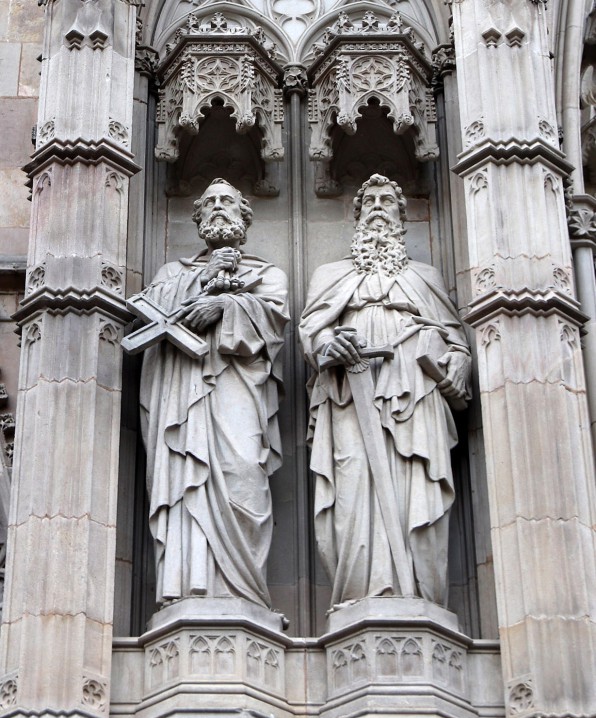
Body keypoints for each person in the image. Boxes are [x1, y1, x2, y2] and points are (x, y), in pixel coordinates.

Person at [299, 174, 471, 607]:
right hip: (349, 395)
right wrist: (327, 345)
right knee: (355, 488)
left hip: (416, 398)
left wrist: (457, 366)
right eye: (369, 201)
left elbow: (458, 343)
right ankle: (362, 596)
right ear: (357, 217)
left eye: (387, 201)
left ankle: (423, 598)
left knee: (417, 488)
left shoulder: (424, 277)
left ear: (401, 217)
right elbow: (312, 332)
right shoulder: (331, 276)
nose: (377, 207)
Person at [140, 179, 289, 607]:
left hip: (237, 388)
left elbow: (274, 322)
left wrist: (226, 307)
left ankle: (243, 596)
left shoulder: (267, 274)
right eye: (211, 203)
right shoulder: (174, 273)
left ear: (244, 218)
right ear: (199, 218)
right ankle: (189, 589)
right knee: (188, 484)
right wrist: (202, 278)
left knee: (244, 475)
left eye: (228, 202)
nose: (219, 208)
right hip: (184, 395)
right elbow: (150, 312)